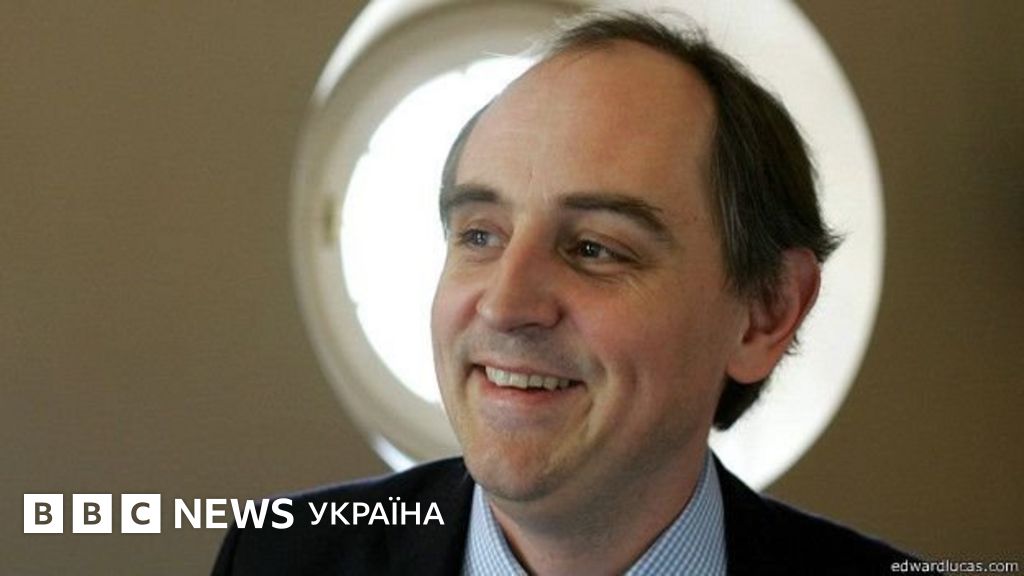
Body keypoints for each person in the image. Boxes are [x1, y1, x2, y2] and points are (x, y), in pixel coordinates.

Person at [213, 11, 919, 575]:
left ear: (765, 313)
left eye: (594, 249)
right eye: (480, 235)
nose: (504, 305)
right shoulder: (279, 557)